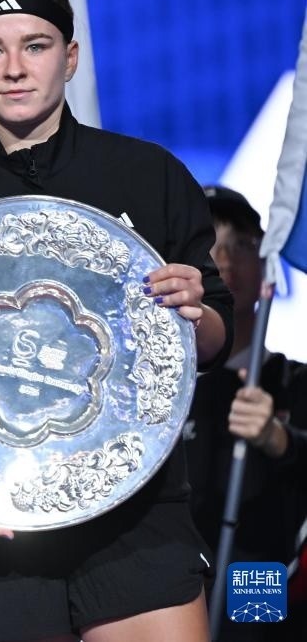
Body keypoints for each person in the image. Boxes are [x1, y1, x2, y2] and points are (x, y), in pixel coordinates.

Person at [0, 0, 233, 641]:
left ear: (69, 58)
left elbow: (216, 341)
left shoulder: (147, 174)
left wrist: (195, 312)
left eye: (35, 46)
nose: (14, 68)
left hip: (136, 519)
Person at [185, 185, 307, 641]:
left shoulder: (293, 381)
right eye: (210, 246)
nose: (225, 260)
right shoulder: (154, 389)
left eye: (241, 245)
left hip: (260, 583)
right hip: (166, 589)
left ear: (264, 268)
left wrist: (280, 440)